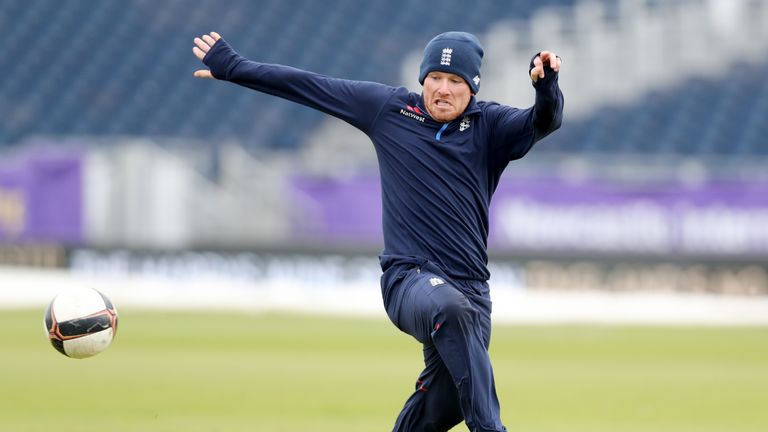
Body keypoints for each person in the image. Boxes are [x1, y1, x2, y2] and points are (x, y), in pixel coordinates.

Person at [193, 30, 563, 432]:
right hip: (409, 280)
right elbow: (310, 86)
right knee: (451, 312)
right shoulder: (390, 109)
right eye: (434, 78)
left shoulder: (489, 125)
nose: (442, 89)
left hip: (473, 294)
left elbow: (543, 120)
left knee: (445, 406)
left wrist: (546, 89)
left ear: (472, 89)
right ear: (422, 79)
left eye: (455, 81)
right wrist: (234, 67)